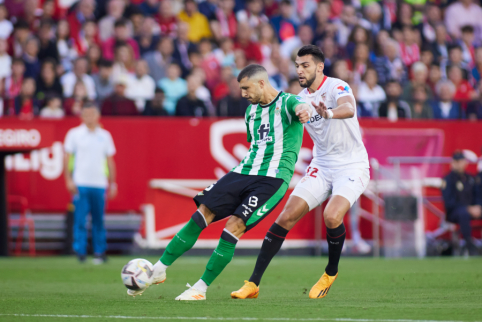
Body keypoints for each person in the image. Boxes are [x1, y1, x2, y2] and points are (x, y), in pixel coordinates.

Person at [125, 64, 312, 300]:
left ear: (262, 83)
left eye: (246, 88)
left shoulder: (288, 103)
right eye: (241, 88)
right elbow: (256, 145)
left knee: (234, 225)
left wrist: (305, 109)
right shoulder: (251, 112)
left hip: (272, 179)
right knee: (201, 213)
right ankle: (159, 270)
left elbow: (301, 105)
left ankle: (199, 289)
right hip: (243, 171)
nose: (243, 93)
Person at [231, 45, 369, 300]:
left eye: (305, 65)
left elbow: (348, 108)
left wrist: (327, 113)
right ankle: (253, 284)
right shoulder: (299, 99)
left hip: (352, 165)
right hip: (322, 164)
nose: (299, 70)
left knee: (331, 216)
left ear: (319, 67)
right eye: (297, 65)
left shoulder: (337, 86)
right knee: (286, 216)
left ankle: (330, 272)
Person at [63, 102, 117, 264]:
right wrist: (68, 179)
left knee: (99, 220)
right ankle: (80, 252)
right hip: (81, 182)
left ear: (98, 115)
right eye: (86, 114)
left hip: (99, 184)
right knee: (80, 219)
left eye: (92, 114)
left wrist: (113, 183)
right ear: (81, 116)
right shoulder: (74, 134)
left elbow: (110, 161)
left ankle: (99, 252)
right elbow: (67, 158)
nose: (89, 118)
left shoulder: (105, 135)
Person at [441, 151, 481, 256]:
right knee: (463, 213)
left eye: (461, 161)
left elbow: (477, 194)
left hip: (472, 210)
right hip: (454, 212)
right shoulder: (447, 180)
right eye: (457, 161)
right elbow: (449, 202)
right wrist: (467, 208)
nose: (459, 164)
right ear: (452, 163)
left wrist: (478, 206)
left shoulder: (470, 178)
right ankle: (468, 244)